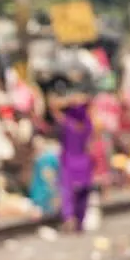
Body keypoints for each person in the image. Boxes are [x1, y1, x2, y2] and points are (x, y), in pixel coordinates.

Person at [50, 92, 93, 232]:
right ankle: (80, 221)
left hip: (69, 161)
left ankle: (69, 219)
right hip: (84, 162)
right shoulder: (87, 124)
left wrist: (68, 100)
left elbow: (53, 106)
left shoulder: (67, 123)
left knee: (67, 192)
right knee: (82, 195)